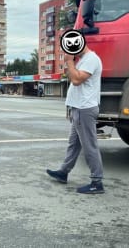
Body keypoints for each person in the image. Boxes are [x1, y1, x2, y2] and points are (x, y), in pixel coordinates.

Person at [46, 44, 104, 194]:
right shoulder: (83, 59)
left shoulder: (91, 59)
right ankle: (63, 172)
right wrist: (69, 106)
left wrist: (69, 61)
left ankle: (97, 182)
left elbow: (77, 80)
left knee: (89, 146)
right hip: (78, 108)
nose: (66, 53)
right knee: (74, 144)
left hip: (84, 109)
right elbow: (75, 84)